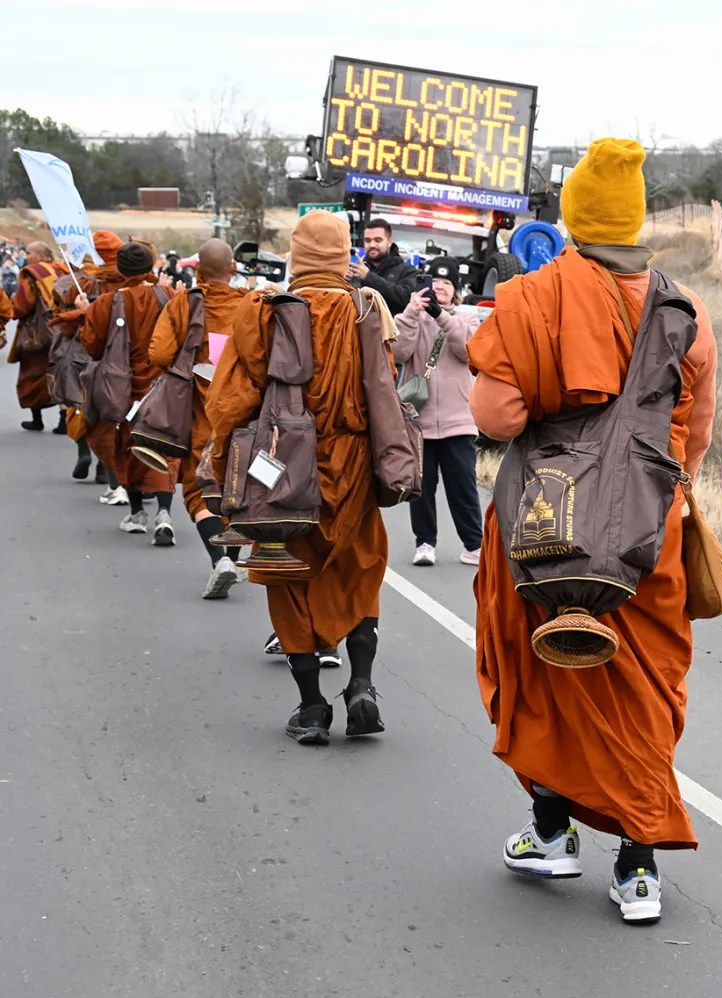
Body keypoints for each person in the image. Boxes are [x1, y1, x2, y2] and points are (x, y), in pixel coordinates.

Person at [468, 138, 718, 924]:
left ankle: (549, 832)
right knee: (641, 692)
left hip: (546, 518)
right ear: (636, 221)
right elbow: (695, 435)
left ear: (570, 218)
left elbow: (495, 416)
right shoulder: (685, 309)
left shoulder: (531, 297)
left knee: (543, 679)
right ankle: (637, 868)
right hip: (650, 530)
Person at [206, 210, 391, 745]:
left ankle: (311, 706)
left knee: (285, 571)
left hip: (280, 463)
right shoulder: (365, 309)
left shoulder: (264, 311)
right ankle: (360, 684)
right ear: (343, 254)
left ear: (295, 255)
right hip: (353, 463)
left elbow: (231, 400)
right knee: (359, 567)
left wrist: (224, 465)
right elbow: (384, 390)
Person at [148, 238, 251, 597]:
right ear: (233, 270)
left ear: (197, 271)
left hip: (201, 410)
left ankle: (219, 560)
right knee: (237, 487)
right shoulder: (249, 305)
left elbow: (159, 353)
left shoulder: (184, 303)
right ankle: (233, 561)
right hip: (244, 410)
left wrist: (190, 363)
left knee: (199, 488)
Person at [79, 241, 179, 542]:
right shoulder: (168, 295)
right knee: (163, 446)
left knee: (128, 444)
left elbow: (92, 347)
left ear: (121, 270)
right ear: (150, 266)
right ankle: (164, 511)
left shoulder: (106, 303)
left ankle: (137, 514)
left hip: (123, 388)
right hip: (163, 386)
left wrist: (85, 313)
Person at [392, 256, 482, 567]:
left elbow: (468, 349)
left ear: (456, 291)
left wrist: (440, 315)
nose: (440, 287)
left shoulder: (466, 320)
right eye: (435, 282)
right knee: (421, 487)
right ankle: (425, 543)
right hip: (420, 422)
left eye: (447, 283)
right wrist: (411, 312)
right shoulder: (412, 319)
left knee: (464, 487)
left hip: (460, 422)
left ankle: (474, 544)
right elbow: (397, 352)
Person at [57, 230, 131, 502]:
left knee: (87, 413)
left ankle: (91, 457)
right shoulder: (136, 283)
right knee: (125, 420)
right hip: (131, 364)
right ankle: (118, 472)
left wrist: (81, 311)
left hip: (89, 360)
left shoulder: (83, 284)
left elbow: (66, 329)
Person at [10, 241, 68, 433]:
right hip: (62, 330)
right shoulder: (62, 270)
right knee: (58, 375)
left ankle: (37, 420)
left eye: (29, 252)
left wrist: (12, 304)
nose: (26, 256)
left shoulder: (32, 273)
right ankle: (64, 420)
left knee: (32, 375)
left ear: (41, 256)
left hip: (38, 336)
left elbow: (21, 306)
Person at [348, 217, 418, 316]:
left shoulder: (407, 271)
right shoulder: (357, 269)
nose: (372, 245)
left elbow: (406, 299)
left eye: (378, 240)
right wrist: (344, 280)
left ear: (389, 242)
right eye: (368, 240)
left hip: (391, 330)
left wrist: (368, 277)